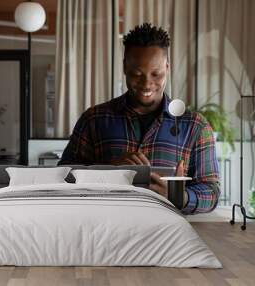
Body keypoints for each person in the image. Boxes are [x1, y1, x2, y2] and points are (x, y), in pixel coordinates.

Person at [58, 23, 220, 214]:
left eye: (156, 74)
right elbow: (62, 178)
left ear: (167, 68)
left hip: (168, 236)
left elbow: (212, 192)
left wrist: (178, 197)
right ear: (125, 67)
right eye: (137, 74)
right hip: (105, 231)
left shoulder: (195, 127)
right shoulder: (93, 120)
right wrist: (108, 170)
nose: (146, 84)